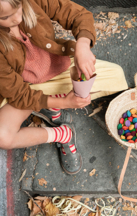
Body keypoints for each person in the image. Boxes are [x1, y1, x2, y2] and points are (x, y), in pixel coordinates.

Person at [0, 0, 128, 174]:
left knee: (116, 75)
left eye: (19, 8)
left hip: (57, 67)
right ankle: (62, 133)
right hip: (24, 87)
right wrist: (66, 103)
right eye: (6, 17)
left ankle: (53, 107)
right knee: (3, 136)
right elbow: (18, 94)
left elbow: (78, 14)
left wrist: (82, 45)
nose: (17, 18)